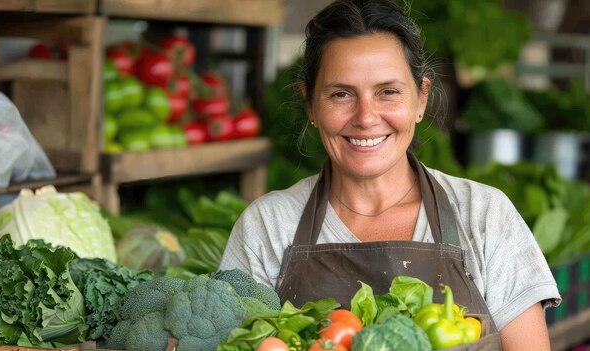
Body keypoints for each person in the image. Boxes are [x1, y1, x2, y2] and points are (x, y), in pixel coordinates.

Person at [219, 0, 560, 349]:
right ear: (311, 105)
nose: (366, 117)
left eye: (388, 92)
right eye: (341, 94)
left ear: (421, 99)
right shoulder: (268, 226)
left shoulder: (484, 215)